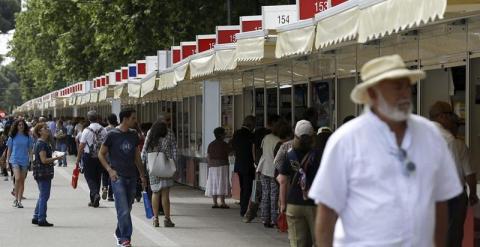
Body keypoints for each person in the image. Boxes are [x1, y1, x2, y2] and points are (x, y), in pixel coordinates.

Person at [309, 55, 462, 246]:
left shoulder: (430, 135)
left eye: (407, 86)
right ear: (373, 94)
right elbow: (326, 211)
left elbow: (441, 202)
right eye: (397, 87)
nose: (405, 93)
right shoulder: (346, 140)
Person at [429, 101, 479, 247]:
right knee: (453, 234)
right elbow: (461, 173)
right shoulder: (450, 140)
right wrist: (472, 194)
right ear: (442, 116)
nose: (452, 120)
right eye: (450, 115)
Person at [98, 108, 147, 247]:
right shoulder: (112, 134)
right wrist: (109, 170)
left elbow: (137, 156)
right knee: (123, 209)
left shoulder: (133, 135)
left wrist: (142, 175)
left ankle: (119, 232)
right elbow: (101, 154)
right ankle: (125, 238)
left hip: (132, 176)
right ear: (125, 119)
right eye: (133, 118)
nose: (135, 120)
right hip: (117, 177)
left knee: (128, 208)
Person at [277, 120, 323, 246]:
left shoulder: (290, 154)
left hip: (294, 203)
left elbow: (282, 180)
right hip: (315, 203)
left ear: (295, 136)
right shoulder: (319, 154)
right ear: (313, 135)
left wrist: (282, 204)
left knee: (298, 243)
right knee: (320, 241)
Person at [142, 118, 177, 228]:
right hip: (166, 166)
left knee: (155, 192)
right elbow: (175, 149)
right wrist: (174, 164)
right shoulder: (170, 132)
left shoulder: (150, 132)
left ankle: (155, 219)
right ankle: (167, 219)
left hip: (153, 167)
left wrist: (143, 163)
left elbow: (144, 149)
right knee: (165, 194)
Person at [256, 119, 288, 228]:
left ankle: (265, 219)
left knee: (265, 194)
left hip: (264, 169)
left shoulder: (266, 137)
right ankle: (275, 220)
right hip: (274, 171)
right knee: (274, 196)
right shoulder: (279, 142)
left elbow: (262, 150)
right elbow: (279, 159)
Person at [31, 123, 64, 227]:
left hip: (41, 172)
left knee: (42, 195)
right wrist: (57, 158)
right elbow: (44, 160)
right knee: (44, 195)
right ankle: (41, 218)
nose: (47, 129)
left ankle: (36, 216)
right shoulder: (42, 143)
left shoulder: (42, 142)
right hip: (43, 172)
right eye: (45, 128)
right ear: (40, 132)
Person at [75, 111, 107, 208]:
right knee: (97, 177)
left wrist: (78, 159)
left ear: (88, 119)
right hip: (101, 156)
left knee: (89, 177)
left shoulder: (86, 130)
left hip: (88, 156)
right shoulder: (103, 130)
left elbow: (81, 146)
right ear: (98, 118)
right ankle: (93, 200)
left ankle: (95, 194)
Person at [231, 115, 256, 217]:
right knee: (247, 188)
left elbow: (233, 147)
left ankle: (243, 206)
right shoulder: (250, 135)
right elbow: (253, 150)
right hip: (248, 165)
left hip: (239, 164)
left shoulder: (236, 133)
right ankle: (244, 209)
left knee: (242, 187)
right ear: (251, 125)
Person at [6, 119, 33, 208]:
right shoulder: (12, 137)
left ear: (24, 126)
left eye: (22, 125)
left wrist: (31, 161)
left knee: (22, 181)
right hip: (14, 160)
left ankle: (19, 200)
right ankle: (16, 199)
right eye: (19, 125)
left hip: (24, 160)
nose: (21, 126)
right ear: (16, 126)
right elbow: (9, 150)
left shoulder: (28, 137)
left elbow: (30, 150)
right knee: (17, 178)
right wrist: (7, 162)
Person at [205, 127, 231, 209]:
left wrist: (209, 165)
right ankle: (222, 202)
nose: (225, 135)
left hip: (212, 166)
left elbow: (208, 156)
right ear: (220, 135)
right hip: (222, 165)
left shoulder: (211, 144)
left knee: (214, 183)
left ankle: (215, 202)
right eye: (224, 133)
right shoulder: (224, 144)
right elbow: (231, 153)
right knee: (222, 183)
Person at [101, 113, 118, 202]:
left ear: (107, 120)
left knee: (104, 172)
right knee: (112, 174)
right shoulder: (117, 130)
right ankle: (111, 195)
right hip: (114, 155)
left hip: (105, 155)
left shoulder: (104, 130)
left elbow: (101, 142)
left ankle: (104, 187)